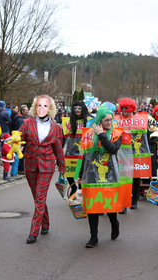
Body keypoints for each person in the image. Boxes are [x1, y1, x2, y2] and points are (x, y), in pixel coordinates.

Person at [19, 95, 65, 244]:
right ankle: (45, 223)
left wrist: (62, 168)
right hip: (31, 164)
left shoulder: (57, 128)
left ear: (50, 108)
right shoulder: (27, 123)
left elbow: (58, 149)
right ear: (34, 107)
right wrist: (16, 145)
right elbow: (19, 139)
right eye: (39, 105)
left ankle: (33, 231)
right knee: (38, 197)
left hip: (47, 165)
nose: (41, 108)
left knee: (40, 197)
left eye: (45, 106)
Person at [76, 108, 125, 248]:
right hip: (91, 174)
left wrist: (102, 134)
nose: (110, 122)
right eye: (106, 120)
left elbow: (113, 149)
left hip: (110, 175)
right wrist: (80, 176)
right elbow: (85, 156)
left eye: (111, 119)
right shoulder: (89, 134)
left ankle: (114, 223)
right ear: (100, 120)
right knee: (93, 207)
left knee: (109, 205)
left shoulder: (116, 133)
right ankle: (93, 237)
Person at [115, 98, 151, 209]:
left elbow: (145, 137)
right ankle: (122, 199)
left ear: (132, 108)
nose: (124, 110)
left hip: (135, 152)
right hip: (121, 152)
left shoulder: (140, 119)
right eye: (122, 108)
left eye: (126, 108)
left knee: (135, 177)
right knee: (122, 176)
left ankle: (134, 199)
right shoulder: (117, 119)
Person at [62, 101, 90, 196]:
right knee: (69, 174)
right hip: (70, 153)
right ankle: (73, 188)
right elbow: (63, 138)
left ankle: (80, 192)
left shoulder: (89, 121)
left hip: (83, 153)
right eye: (75, 108)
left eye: (79, 108)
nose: (77, 110)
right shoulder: (67, 121)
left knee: (81, 174)